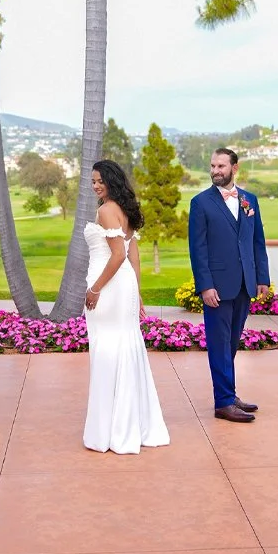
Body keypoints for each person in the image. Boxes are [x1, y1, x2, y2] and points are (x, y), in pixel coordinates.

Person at [81, 160, 171, 455]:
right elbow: (135, 257)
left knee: (107, 351)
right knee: (125, 348)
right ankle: (132, 425)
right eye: (93, 181)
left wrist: (95, 289)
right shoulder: (126, 209)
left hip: (108, 288)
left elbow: (118, 255)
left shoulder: (107, 210)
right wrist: (138, 293)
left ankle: (109, 431)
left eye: (99, 181)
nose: (95, 186)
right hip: (124, 288)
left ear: (111, 180)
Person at [186, 146, 271, 423]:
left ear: (235, 168)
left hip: (245, 283)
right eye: (212, 166)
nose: (215, 171)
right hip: (217, 287)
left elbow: (257, 242)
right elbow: (197, 249)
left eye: (221, 166)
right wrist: (205, 285)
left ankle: (229, 393)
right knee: (219, 344)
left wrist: (262, 277)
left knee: (232, 342)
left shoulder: (250, 200)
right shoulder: (200, 203)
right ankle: (223, 402)